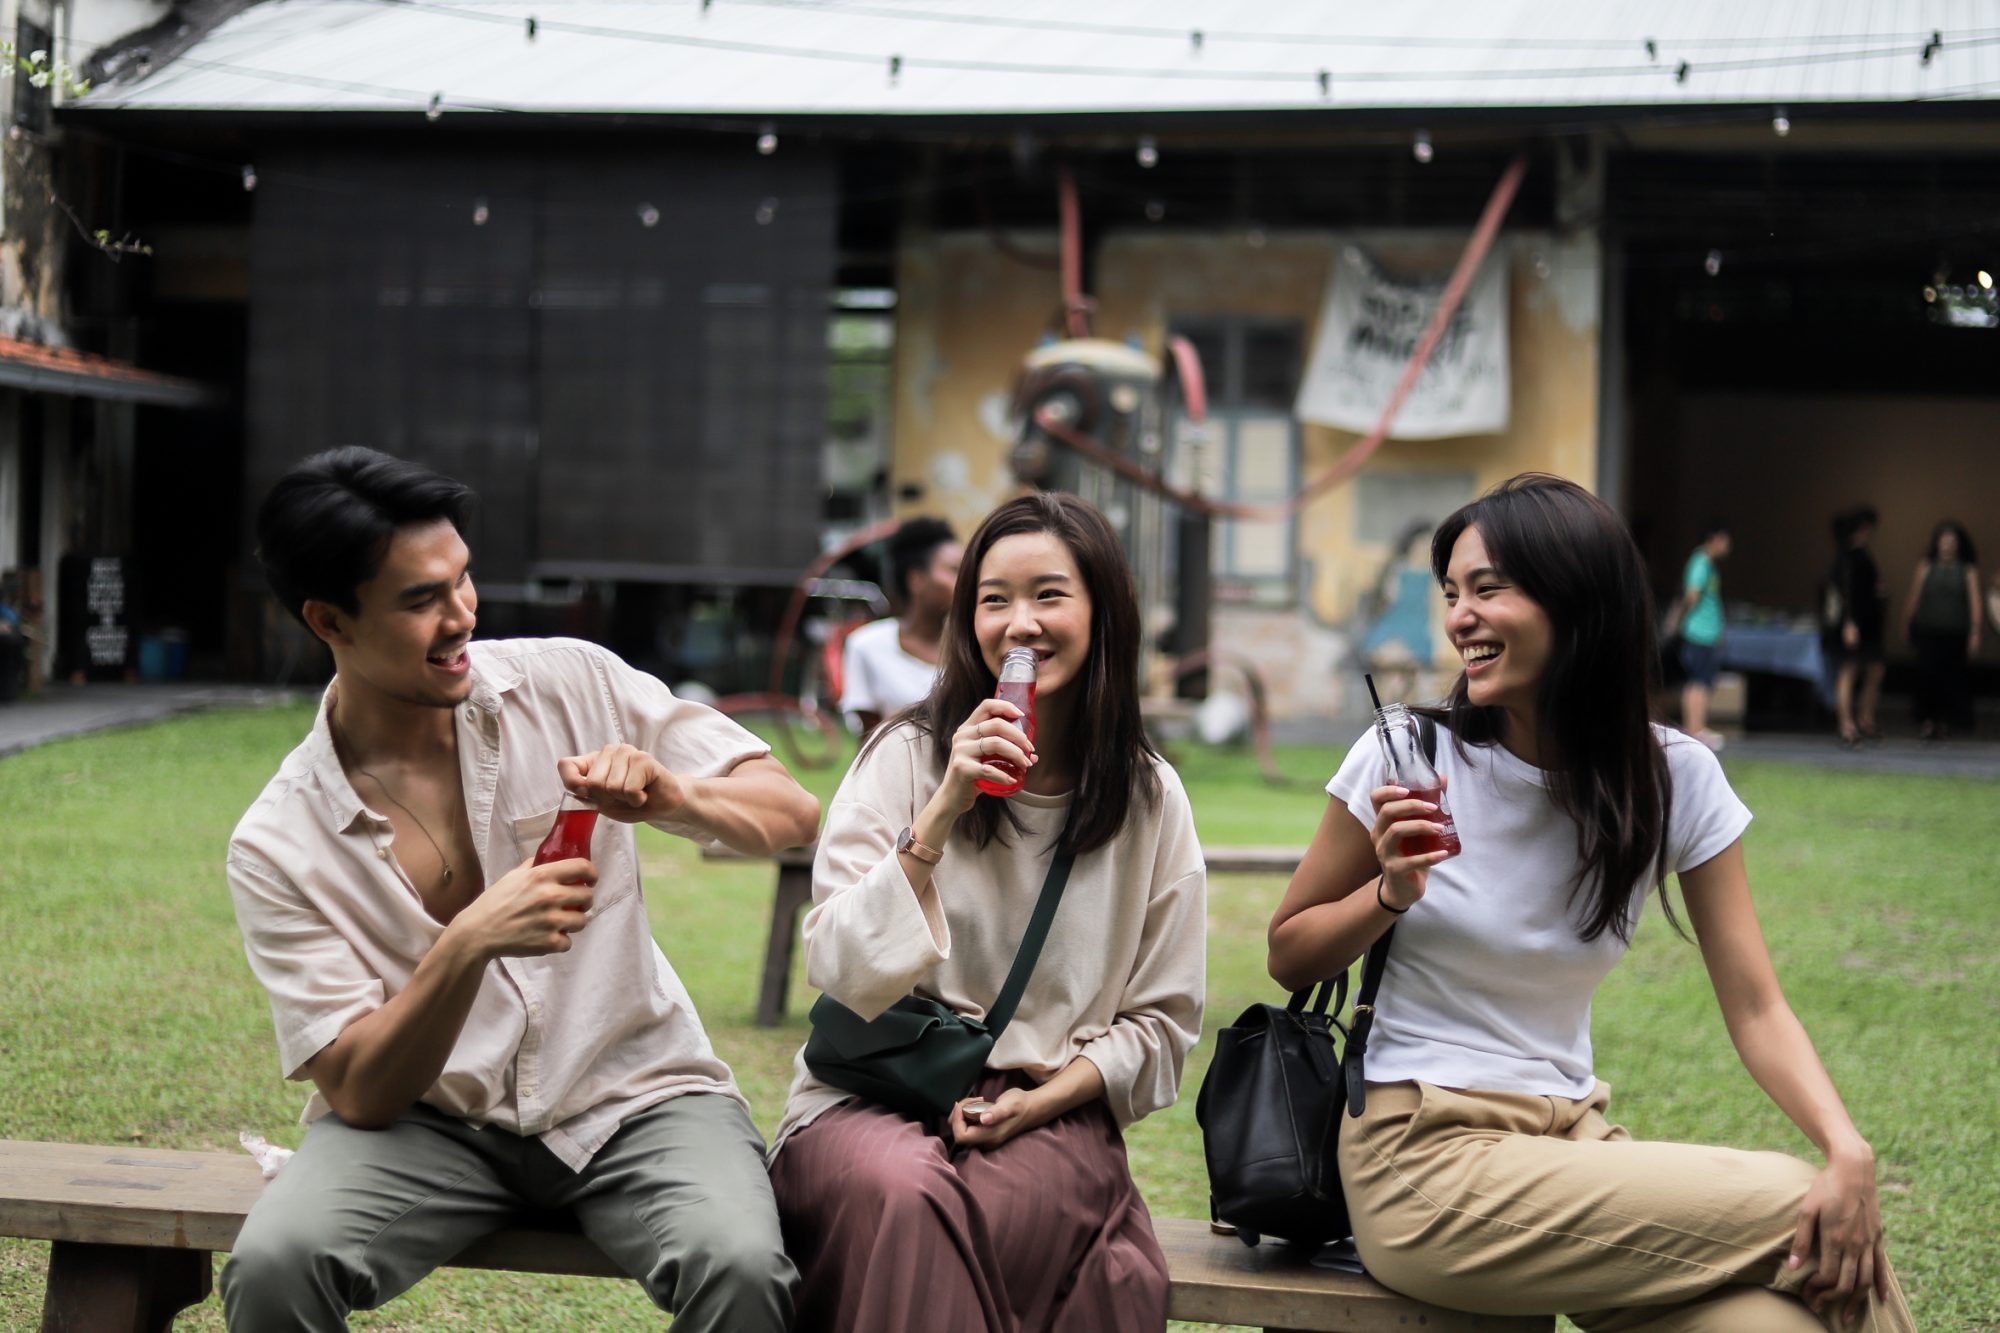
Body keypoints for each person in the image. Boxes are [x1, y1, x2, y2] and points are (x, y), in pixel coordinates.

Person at [1267, 474, 1914, 1331]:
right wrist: (1390, 892)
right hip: (1421, 1157)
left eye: (1489, 588)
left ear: (1580, 603)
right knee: (1802, 1200)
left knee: (1796, 1316)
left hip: (1572, 1147)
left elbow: (1757, 1005)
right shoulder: (1409, 757)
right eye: (1453, 592)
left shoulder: (1675, 776)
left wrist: (1847, 1142)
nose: (1460, 615)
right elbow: (1289, 951)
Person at [222, 448, 818, 1333]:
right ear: (328, 620)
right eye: (421, 599)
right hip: (430, 1122)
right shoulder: (279, 841)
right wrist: (464, 945)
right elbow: (360, 1091)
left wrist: (673, 795)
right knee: (274, 1267)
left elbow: (795, 813)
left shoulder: (570, 681)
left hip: (636, 1092)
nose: (462, 615)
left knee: (740, 1267)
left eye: (463, 581)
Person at [769, 492, 1206, 1333]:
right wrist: (940, 811)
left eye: (1049, 594)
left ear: (1102, 610)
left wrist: (1042, 1102)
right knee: (904, 1192)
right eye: (994, 599)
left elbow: (1161, 1023)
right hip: (871, 1091)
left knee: (995, 1209)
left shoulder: (1149, 797)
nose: (1020, 624)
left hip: (1048, 1100)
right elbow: (838, 967)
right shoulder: (904, 755)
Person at [840, 516, 962, 735]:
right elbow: (868, 738)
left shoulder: (974, 645)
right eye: (954, 571)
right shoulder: (867, 645)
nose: (966, 581)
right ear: (917, 580)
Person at [1902, 520, 1981, 739]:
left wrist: (1975, 631)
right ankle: (1927, 720)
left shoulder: (1967, 570)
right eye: (1943, 541)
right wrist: (1907, 623)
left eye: (1951, 541)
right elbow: (1914, 598)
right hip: (1929, 632)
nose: (1947, 545)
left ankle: (1947, 721)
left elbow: (1975, 603)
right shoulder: (1926, 566)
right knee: (1927, 675)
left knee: (1953, 678)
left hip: (1955, 634)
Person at [1825, 507, 1888, 747]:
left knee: (1875, 669)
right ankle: (1846, 724)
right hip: (1854, 623)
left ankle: (1865, 717)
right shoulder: (1847, 557)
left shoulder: (1862, 554)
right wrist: (1849, 622)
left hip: (1869, 623)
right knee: (1849, 670)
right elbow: (1845, 592)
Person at [1671, 520, 1731, 751]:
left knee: (1702, 681)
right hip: (1698, 632)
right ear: (1714, 539)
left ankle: (1697, 728)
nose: (1728, 546)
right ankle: (1695, 729)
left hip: (1707, 632)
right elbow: (1692, 595)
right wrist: (1681, 620)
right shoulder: (1700, 563)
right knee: (1697, 681)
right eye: (1725, 540)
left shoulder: (1707, 564)